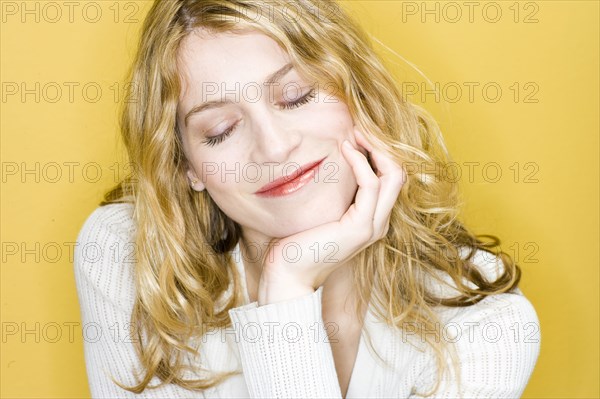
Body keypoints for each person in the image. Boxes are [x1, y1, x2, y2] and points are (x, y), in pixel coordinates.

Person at [73, 0, 541, 398]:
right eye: (220, 130)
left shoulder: (485, 324)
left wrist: (286, 289)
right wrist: (290, 291)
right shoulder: (124, 252)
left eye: (295, 97)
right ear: (187, 166)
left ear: (359, 95)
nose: (274, 148)